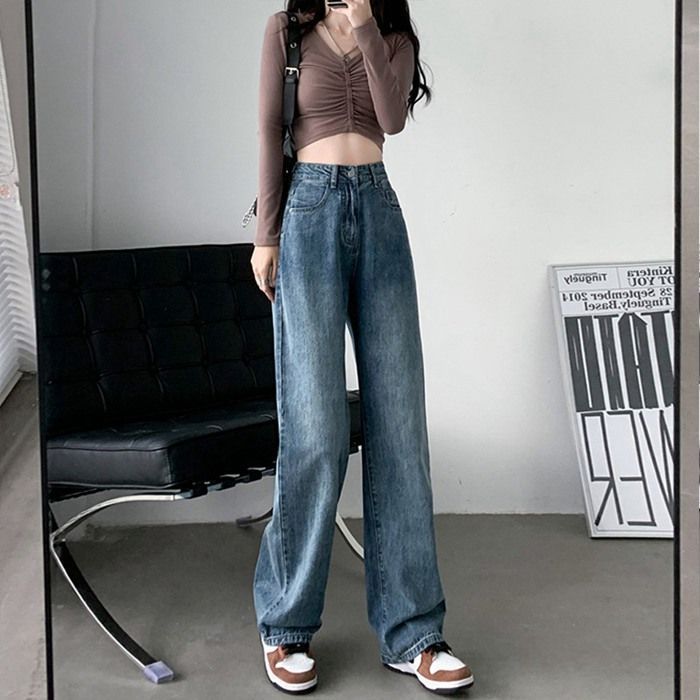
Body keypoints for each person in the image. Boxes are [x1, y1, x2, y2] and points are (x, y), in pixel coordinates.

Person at [249, 0, 474, 694]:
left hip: (378, 211)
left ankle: (414, 633)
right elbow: (269, 129)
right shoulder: (286, 30)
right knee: (314, 429)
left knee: (400, 427)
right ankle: (286, 624)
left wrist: (369, 25)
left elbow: (392, 118)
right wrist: (266, 234)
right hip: (308, 213)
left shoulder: (394, 35)